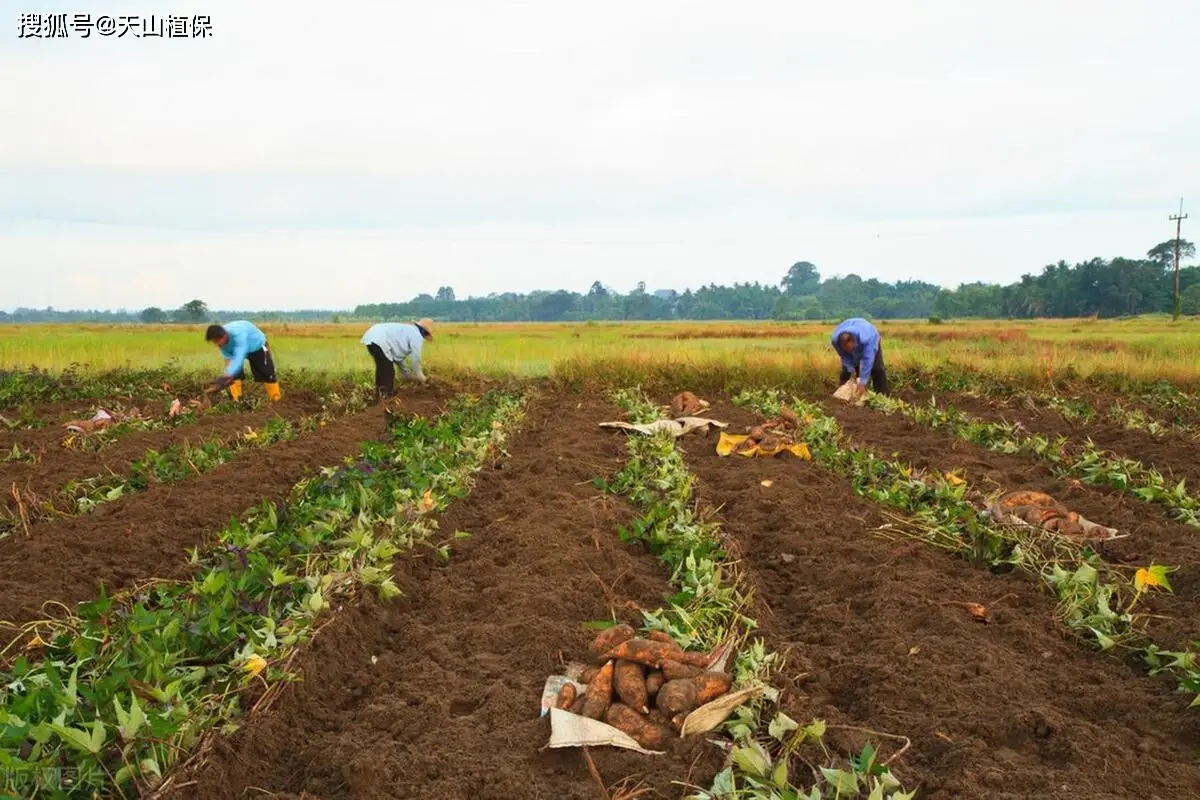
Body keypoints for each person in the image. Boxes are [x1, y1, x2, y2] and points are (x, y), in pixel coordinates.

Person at [205, 320, 282, 402]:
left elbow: (240, 354)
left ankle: (276, 400)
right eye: (214, 342)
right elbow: (229, 360)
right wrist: (228, 375)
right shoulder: (222, 345)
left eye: (217, 341)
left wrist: (227, 375)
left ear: (224, 336)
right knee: (234, 375)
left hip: (256, 346)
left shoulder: (238, 334)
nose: (217, 344)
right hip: (238, 350)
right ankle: (237, 401)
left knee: (267, 374)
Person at [360, 318, 433, 398]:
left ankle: (378, 393)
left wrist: (405, 371)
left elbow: (397, 358)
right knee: (388, 371)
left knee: (382, 367)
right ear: (425, 333)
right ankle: (386, 395)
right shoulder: (417, 335)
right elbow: (416, 358)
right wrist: (420, 375)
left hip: (371, 337)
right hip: (380, 340)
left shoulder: (408, 330)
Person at [831, 317, 889, 398]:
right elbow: (844, 356)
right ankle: (844, 393)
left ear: (855, 342)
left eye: (851, 349)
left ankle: (882, 396)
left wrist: (863, 381)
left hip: (870, 334)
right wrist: (851, 370)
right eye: (846, 349)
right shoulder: (835, 340)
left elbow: (868, 360)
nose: (849, 351)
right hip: (852, 328)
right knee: (847, 370)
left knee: (877, 369)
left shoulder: (867, 339)